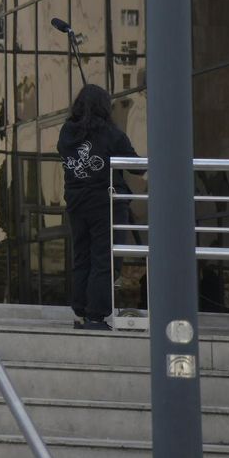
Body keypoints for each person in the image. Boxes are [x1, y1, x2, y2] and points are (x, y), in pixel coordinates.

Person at [57, 84, 140, 331]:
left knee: (82, 256)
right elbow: (137, 166)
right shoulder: (110, 134)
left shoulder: (66, 133)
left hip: (76, 203)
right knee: (104, 259)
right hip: (105, 203)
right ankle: (96, 315)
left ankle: (82, 310)